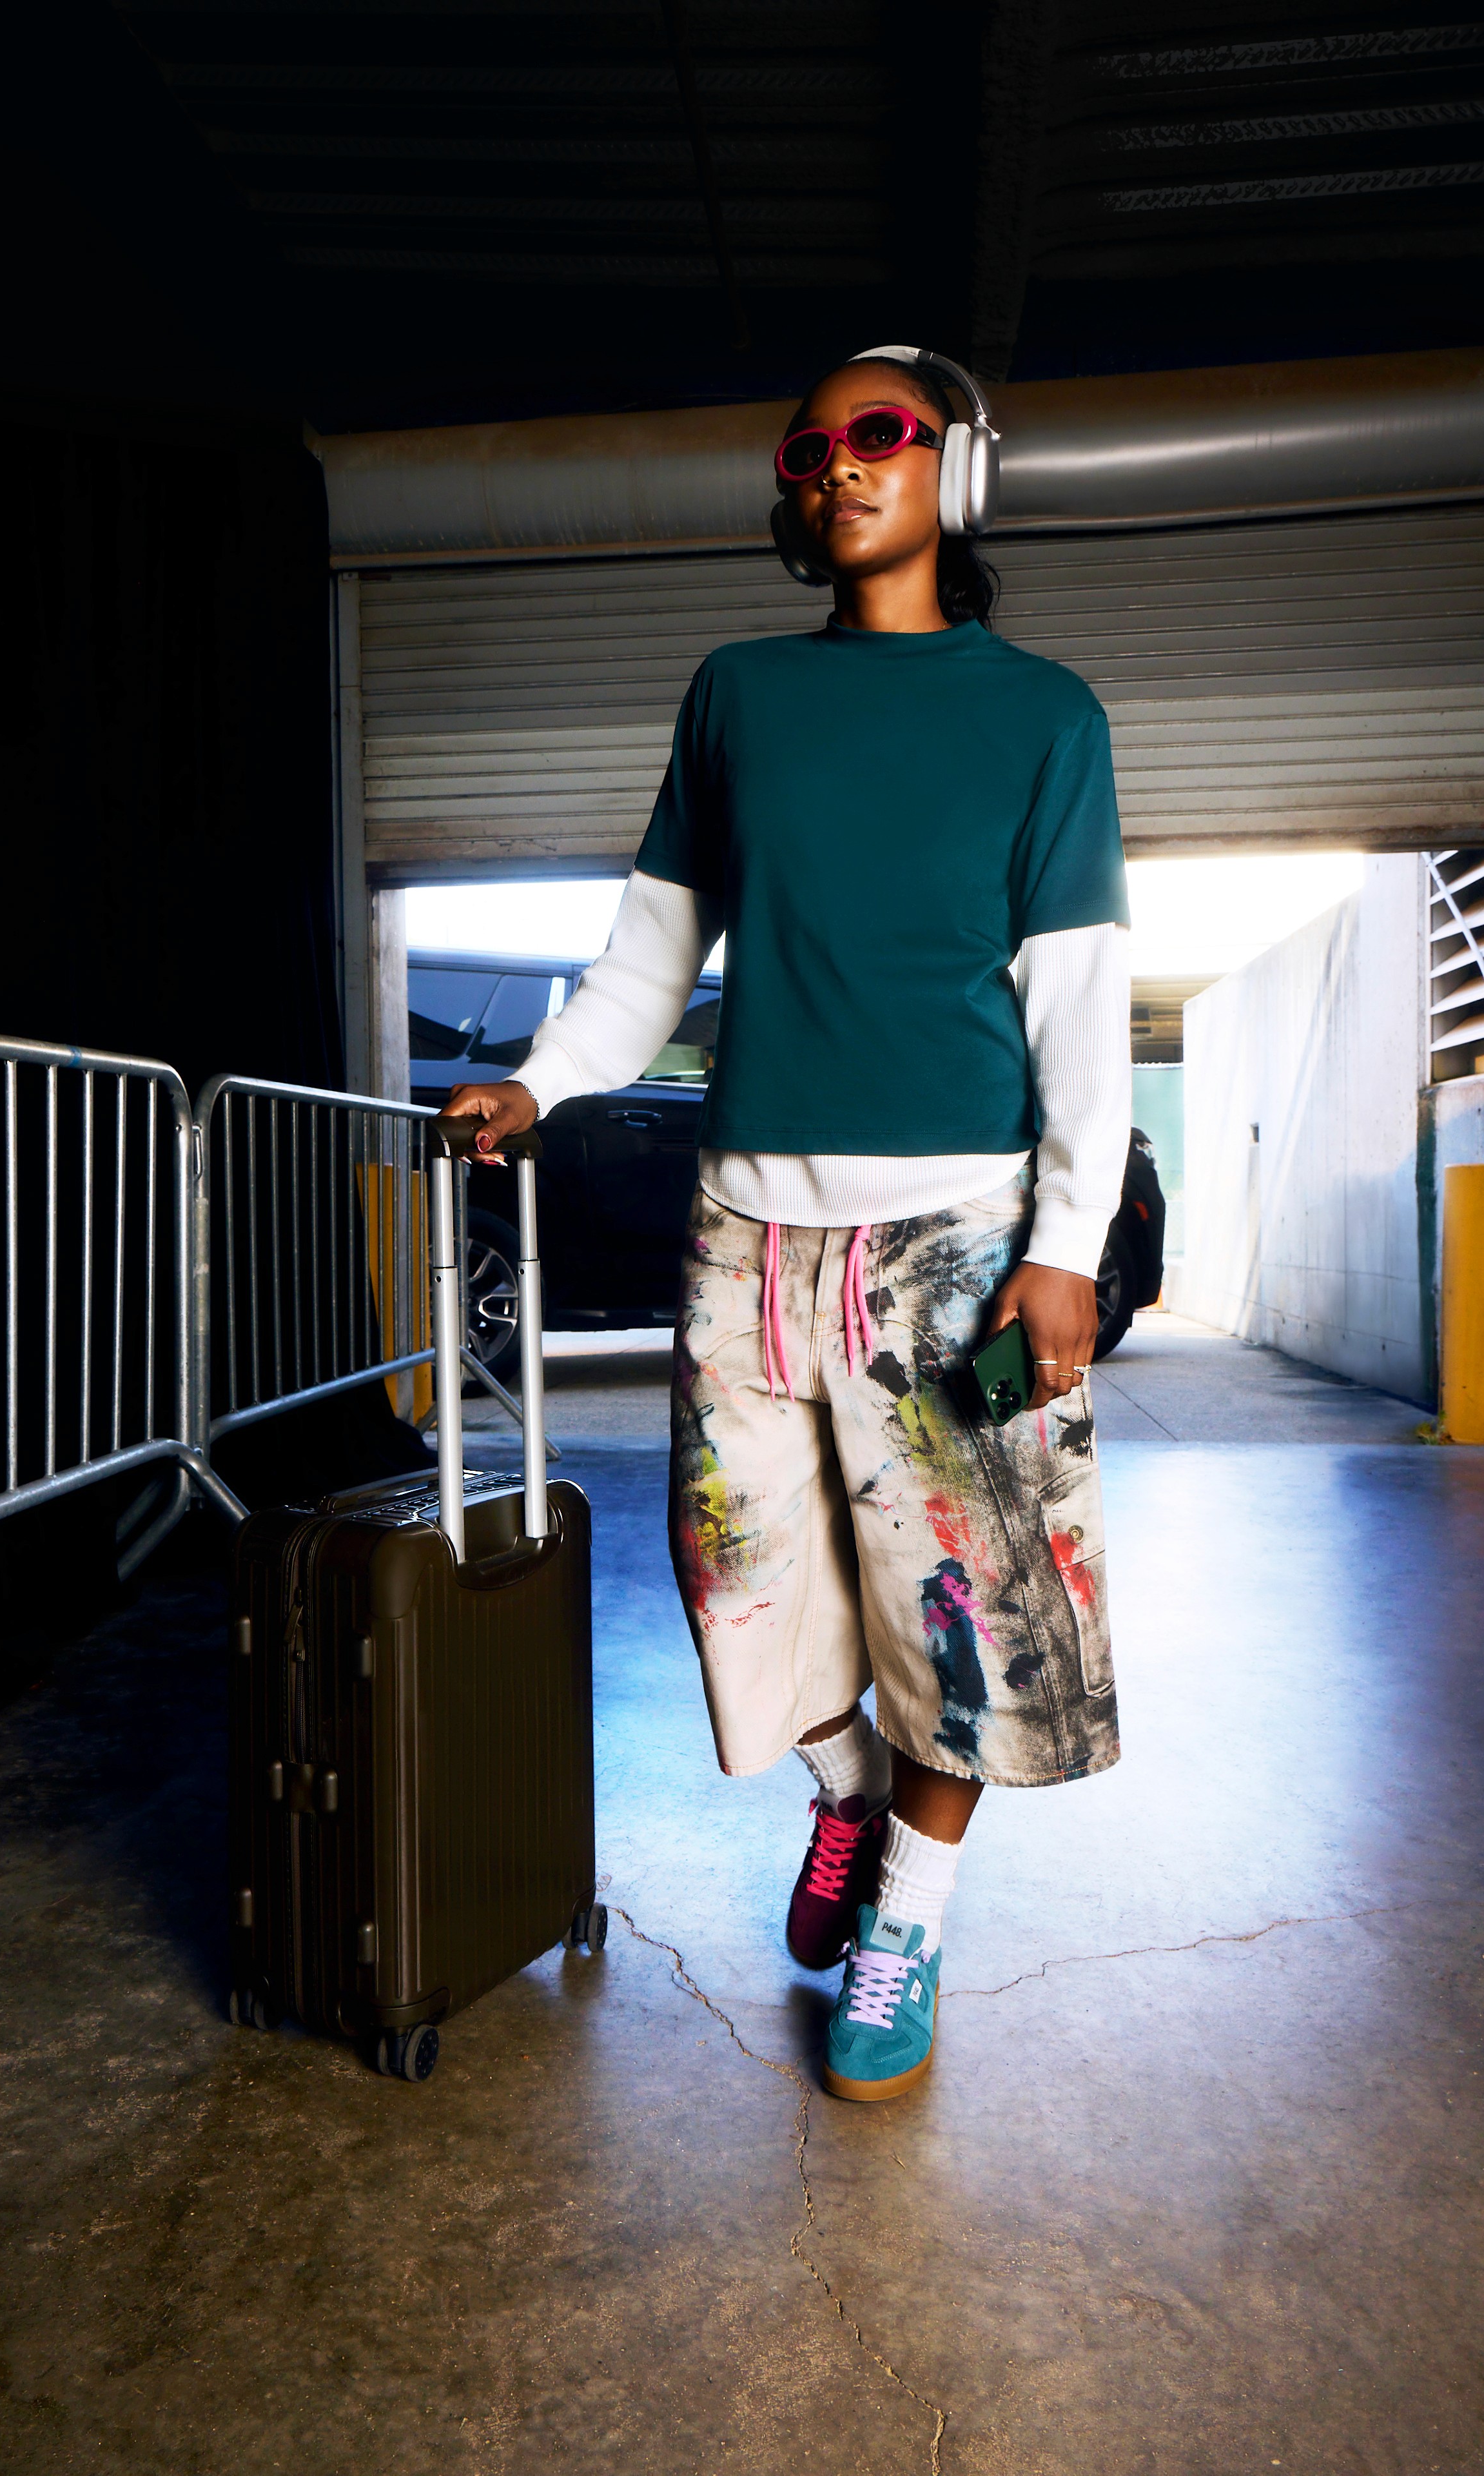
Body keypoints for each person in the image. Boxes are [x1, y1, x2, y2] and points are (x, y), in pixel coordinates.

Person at [444, 345, 1131, 2103]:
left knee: (956, 1609)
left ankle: (906, 1915)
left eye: (882, 435)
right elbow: (651, 953)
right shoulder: (739, 693)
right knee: (733, 1578)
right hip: (744, 1228)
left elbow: (1074, 1002)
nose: (842, 466)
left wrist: (1065, 1243)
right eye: (812, 446)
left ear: (958, 467)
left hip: (957, 1242)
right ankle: (843, 1808)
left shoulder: (1043, 716)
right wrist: (546, 1082)